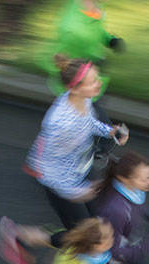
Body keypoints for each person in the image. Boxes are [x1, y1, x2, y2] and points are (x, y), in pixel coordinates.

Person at [25, 56, 128, 230]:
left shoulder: (84, 99)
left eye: (97, 78)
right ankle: (26, 237)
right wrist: (78, 192)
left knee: (100, 223)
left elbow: (88, 122)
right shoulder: (60, 124)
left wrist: (109, 132)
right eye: (92, 81)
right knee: (84, 236)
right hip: (62, 187)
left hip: (81, 171)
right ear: (73, 88)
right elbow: (46, 168)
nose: (98, 83)